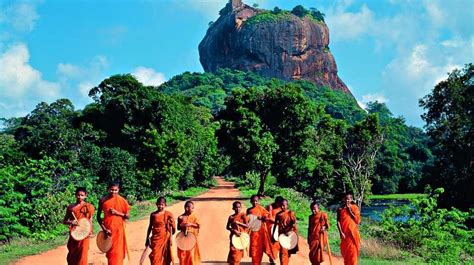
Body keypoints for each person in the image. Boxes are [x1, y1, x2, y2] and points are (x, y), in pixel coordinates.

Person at [97, 182, 130, 265]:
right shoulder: (103, 201)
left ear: (118, 190)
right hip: (108, 231)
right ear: (108, 189)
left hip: (119, 231)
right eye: (112, 189)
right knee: (110, 253)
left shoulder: (122, 201)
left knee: (117, 253)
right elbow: (98, 217)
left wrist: (117, 213)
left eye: (115, 190)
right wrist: (104, 229)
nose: (113, 192)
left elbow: (127, 216)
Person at [63, 187, 95, 265]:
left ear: (85, 196)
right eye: (78, 195)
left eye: (82, 195)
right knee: (72, 254)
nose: (80, 197)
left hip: (84, 234)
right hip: (74, 234)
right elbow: (64, 221)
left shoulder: (88, 207)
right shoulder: (71, 207)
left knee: (82, 254)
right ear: (75, 195)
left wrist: (90, 231)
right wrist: (71, 222)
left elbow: (90, 219)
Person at [145, 197, 176, 265]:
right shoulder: (153, 215)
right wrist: (147, 238)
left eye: (162, 205)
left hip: (165, 238)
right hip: (155, 239)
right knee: (155, 256)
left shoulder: (168, 214)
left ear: (165, 205)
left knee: (166, 256)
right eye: (159, 204)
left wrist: (170, 238)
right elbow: (150, 226)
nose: (160, 206)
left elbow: (172, 228)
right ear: (156, 204)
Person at [247, 195, 275, 265]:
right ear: (250, 201)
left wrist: (262, 218)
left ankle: (271, 259)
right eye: (253, 201)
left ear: (258, 202)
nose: (255, 202)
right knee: (255, 247)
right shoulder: (249, 210)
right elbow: (247, 220)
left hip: (262, 231)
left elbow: (267, 217)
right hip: (253, 232)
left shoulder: (261, 209)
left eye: (256, 201)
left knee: (266, 246)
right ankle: (255, 263)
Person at [337, 193, 361, 265]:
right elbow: (338, 221)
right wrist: (340, 232)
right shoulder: (340, 209)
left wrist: (350, 211)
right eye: (346, 199)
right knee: (346, 253)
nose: (347, 200)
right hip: (344, 234)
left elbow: (357, 220)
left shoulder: (354, 207)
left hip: (352, 234)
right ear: (343, 199)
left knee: (353, 253)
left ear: (351, 199)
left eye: (349, 199)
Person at [273, 199, 298, 265]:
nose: (283, 207)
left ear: (287, 205)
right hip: (282, 236)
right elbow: (275, 225)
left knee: (287, 252)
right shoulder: (278, 214)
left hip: (289, 235)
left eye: (284, 205)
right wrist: (273, 235)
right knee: (283, 252)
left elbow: (294, 224)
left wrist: (288, 230)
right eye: (281, 206)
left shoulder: (290, 213)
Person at [177, 200, 201, 265]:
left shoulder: (194, 216)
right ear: (187, 208)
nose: (193, 209)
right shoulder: (180, 217)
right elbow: (178, 228)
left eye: (193, 208)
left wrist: (191, 224)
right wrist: (182, 225)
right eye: (192, 208)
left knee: (191, 254)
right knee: (183, 254)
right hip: (183, 238)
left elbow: (198, 225)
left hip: (192, 238)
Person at [267, 196, 284, 265]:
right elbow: (269, 217)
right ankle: (272, 259)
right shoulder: (271, 207)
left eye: (280, 204)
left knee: (280, 244)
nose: (279, 205)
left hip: (281, 227)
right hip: (272, 227)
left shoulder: (282, 207)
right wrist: (276, 222)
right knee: (273, 243)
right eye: (278, 203)